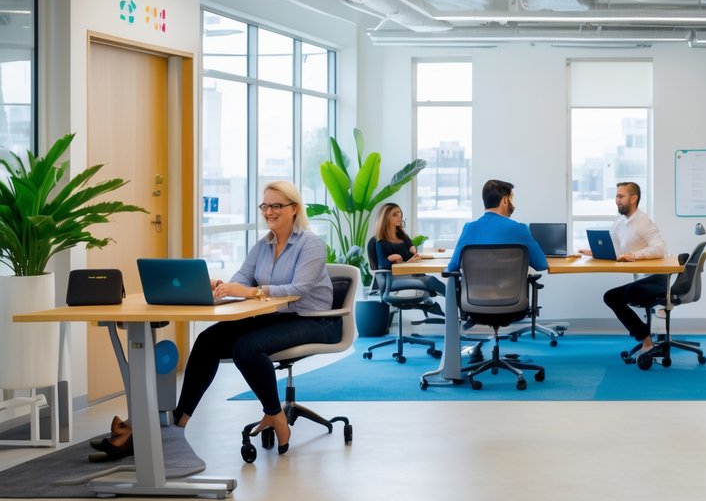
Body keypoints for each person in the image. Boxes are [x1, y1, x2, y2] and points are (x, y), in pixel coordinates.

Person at [93, 180, 340, 460]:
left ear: (294, 208)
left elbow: (299, 289)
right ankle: (179, 422)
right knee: (208, 340)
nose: (268, 211)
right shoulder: (263, 245)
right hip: (277, 316)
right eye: (264, 205)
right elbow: (242, 279)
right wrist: (222, 287)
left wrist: (252, 292)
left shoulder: (310, 244)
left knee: (246, 348)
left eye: (276, 205)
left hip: (316, 320)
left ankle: (275, 415)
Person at [578, 181, 669, 356]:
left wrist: (634, 255)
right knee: (611, 297)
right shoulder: (619, 222)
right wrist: (594, 252)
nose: (617, 200)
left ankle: (647, 341)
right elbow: (616, 250)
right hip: (641, 279)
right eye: (616, 196)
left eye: (621, 196)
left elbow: (660, 248)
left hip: (655, 279)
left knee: (624, 294)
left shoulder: (644, 222)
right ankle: (646, 338)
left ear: (633, 198)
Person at [447, 179, 549, 275]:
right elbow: (541, 264)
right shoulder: (520, 229)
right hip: (511, 288)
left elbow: (452, 266)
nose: (513, 203)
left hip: (475, 288)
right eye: (511, 198)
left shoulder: (469, 228)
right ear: (505, 200)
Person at [372, 202, 448, 298]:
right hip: (394, 278)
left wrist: (413, 251)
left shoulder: (403, 237)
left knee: (432, 281)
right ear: (385, 218)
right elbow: (381, 265)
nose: (399, 217)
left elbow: (410, 251)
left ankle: (454, 299)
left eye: (400, 214)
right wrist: (390, 259)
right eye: (395, 215)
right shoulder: (381, 242)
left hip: (410, 272)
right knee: (431, 281)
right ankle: (456, 300)